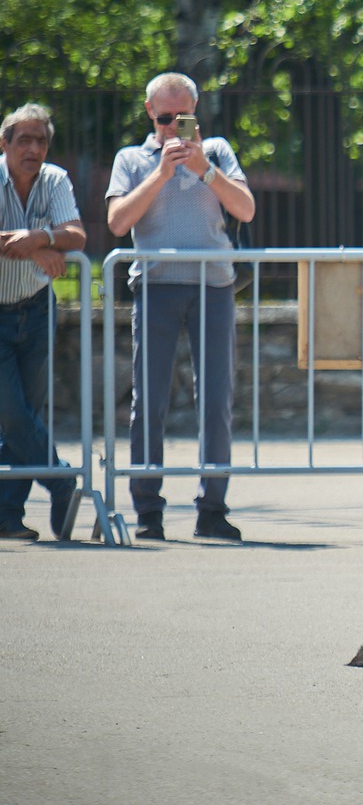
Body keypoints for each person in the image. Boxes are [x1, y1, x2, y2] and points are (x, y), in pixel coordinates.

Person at [106, 73, 256, 541]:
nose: (174, 127)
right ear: (150, 113)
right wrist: (162, 173)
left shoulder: (217, 151)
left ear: (196, 110)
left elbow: (245, 209)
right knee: (148, 402)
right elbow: (117, 222)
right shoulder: (131, 158)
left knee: (216, 401)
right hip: (156, 287)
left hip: (213, 286)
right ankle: (148, 511)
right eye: (165, 117)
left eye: (182, 117)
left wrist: (204, 169)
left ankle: (212, 509)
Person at [0, 104, 85, 541]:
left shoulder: (54, 180)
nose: (34, 149)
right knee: (11, 414)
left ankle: (8, 517)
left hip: (35, 308)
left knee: (26, 414)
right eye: (24, 140)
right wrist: (35, 247)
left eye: (42, 141)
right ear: (5, 144)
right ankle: (60, 480)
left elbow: (77, 235)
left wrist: (43, 237)